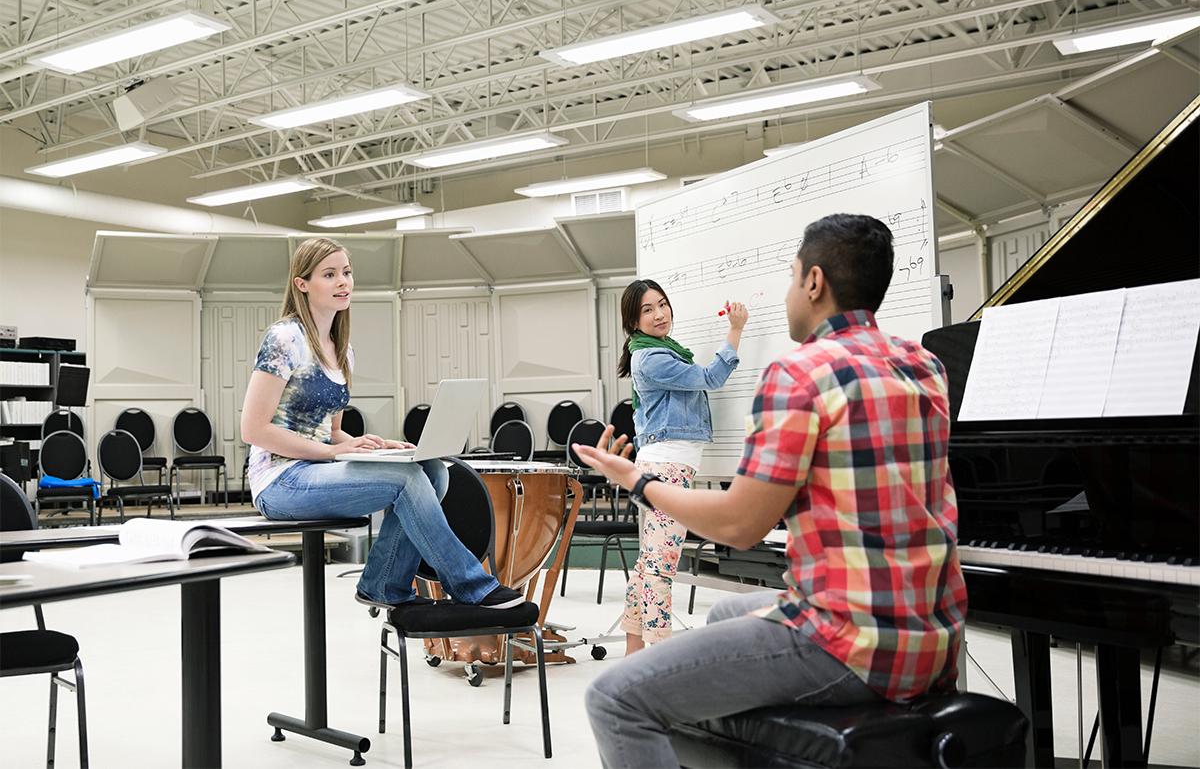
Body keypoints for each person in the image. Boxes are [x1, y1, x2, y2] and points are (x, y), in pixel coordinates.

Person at [575, 214, 968, 768]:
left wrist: (636, 481)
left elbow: (740, 526)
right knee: (723, 617)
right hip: (935, 637)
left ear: (813, 283)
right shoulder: (925, 365)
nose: (787, 292)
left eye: (789, 277)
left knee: (612, 697)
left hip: (849, 641)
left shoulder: (800, 373)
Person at [241, 237, 521, 610]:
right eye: (329, 274)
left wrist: (375, 443)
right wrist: (332, 451)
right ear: (301, 284)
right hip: (279, 480)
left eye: (347, 272)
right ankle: (471, 585)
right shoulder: (285, 337)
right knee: (405, 482)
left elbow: (333, 431)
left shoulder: (342, 350)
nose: (343, 282)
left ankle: (384, 584)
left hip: (318, 469)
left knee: (434, 471)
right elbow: (255, 430)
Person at [616, 279, 747, 654]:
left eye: (662, 304)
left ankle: (633, 650)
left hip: (663, 465)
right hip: (667, 468)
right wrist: (735, 330)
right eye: (647, 310)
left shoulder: (657, 350)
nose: (659, 315)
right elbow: (710, 378)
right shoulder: (653, 358)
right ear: (633, 321)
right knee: (661, 567)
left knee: (649, 564)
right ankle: (658, 655)